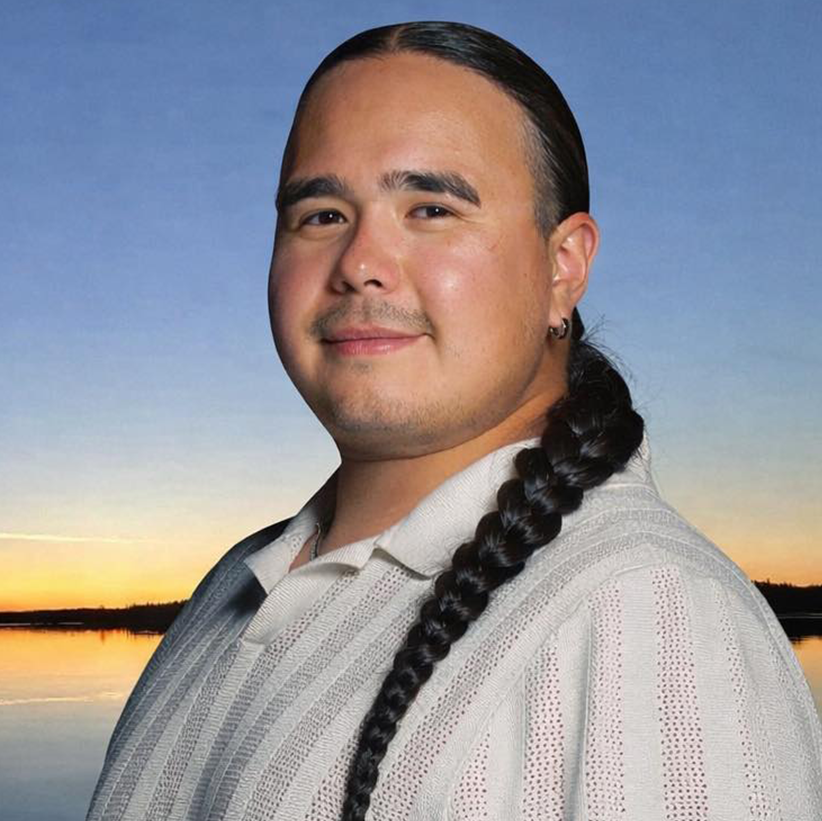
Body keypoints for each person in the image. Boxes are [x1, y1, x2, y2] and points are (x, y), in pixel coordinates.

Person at [86, 20, 822, 821]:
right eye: (322, 214)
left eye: (431, 208)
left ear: (563, 266)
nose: (360, 263)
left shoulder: (650, 618)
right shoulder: (234, 582)